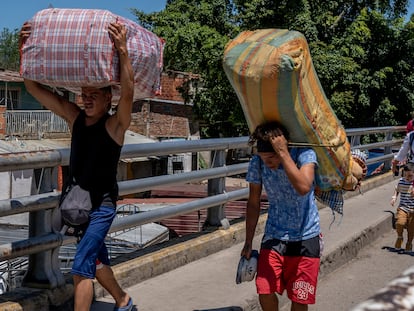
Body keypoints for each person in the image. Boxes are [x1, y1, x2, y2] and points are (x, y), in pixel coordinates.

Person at [20, 21, 135, 311]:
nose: (86, 99)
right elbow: (32, 87)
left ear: (109, 97)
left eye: (93, 95)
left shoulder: (114, 126)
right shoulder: (75, 118)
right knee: (95, 261)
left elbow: (130, 94)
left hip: (101, 208)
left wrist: (122, 50)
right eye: (84, 94)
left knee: (81, 269)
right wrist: (24, 48)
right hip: (77, 206)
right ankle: (124, 300)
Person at [241, 121, 321, 311]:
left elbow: (303, 187)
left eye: (271, 157)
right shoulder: (257, 163)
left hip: (306, 237)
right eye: (263, 158)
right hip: (274, 235)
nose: (267, 164)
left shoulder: (305, 155)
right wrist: (248, 241)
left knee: (300, 298)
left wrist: (283, 154)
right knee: (264, 288)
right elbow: (253, 203)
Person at [390, 165, 414, 251]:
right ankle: (400, 237)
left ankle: (409, 243)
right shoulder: (401, 181)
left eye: (410, 176)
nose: (407, 178)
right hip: (403, 207)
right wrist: (394, 198)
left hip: (413, 210)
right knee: (400, 223)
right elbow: (397, 190)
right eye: (405, 175)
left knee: (411, 229)